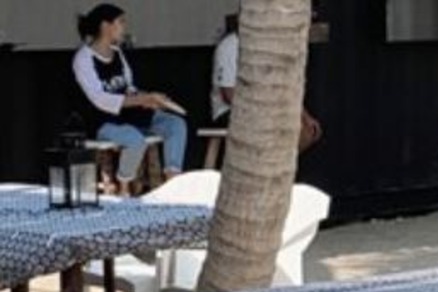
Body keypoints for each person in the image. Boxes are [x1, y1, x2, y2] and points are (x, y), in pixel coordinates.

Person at [72, 4, 187, 192]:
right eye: (121, 22)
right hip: (103, 121)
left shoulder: (118, 53)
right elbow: (99, 99)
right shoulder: (83, 58)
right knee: (134, 139)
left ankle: (173, 182)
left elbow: (129, 87)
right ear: (105, 26)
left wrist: (149, 100)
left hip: (131, 115)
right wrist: (142, 99)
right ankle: (124, 186)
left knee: (175, 124)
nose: (124, 27)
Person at [208, 10, 323, 153]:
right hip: (230, 111)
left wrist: (305, 116)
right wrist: (261, 109)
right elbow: (228, 94)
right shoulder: (229, 46)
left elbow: (282, 90)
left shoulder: (266, 48)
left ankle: (277, 164)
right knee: (273, 126)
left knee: (306, 130)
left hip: (264, 108)